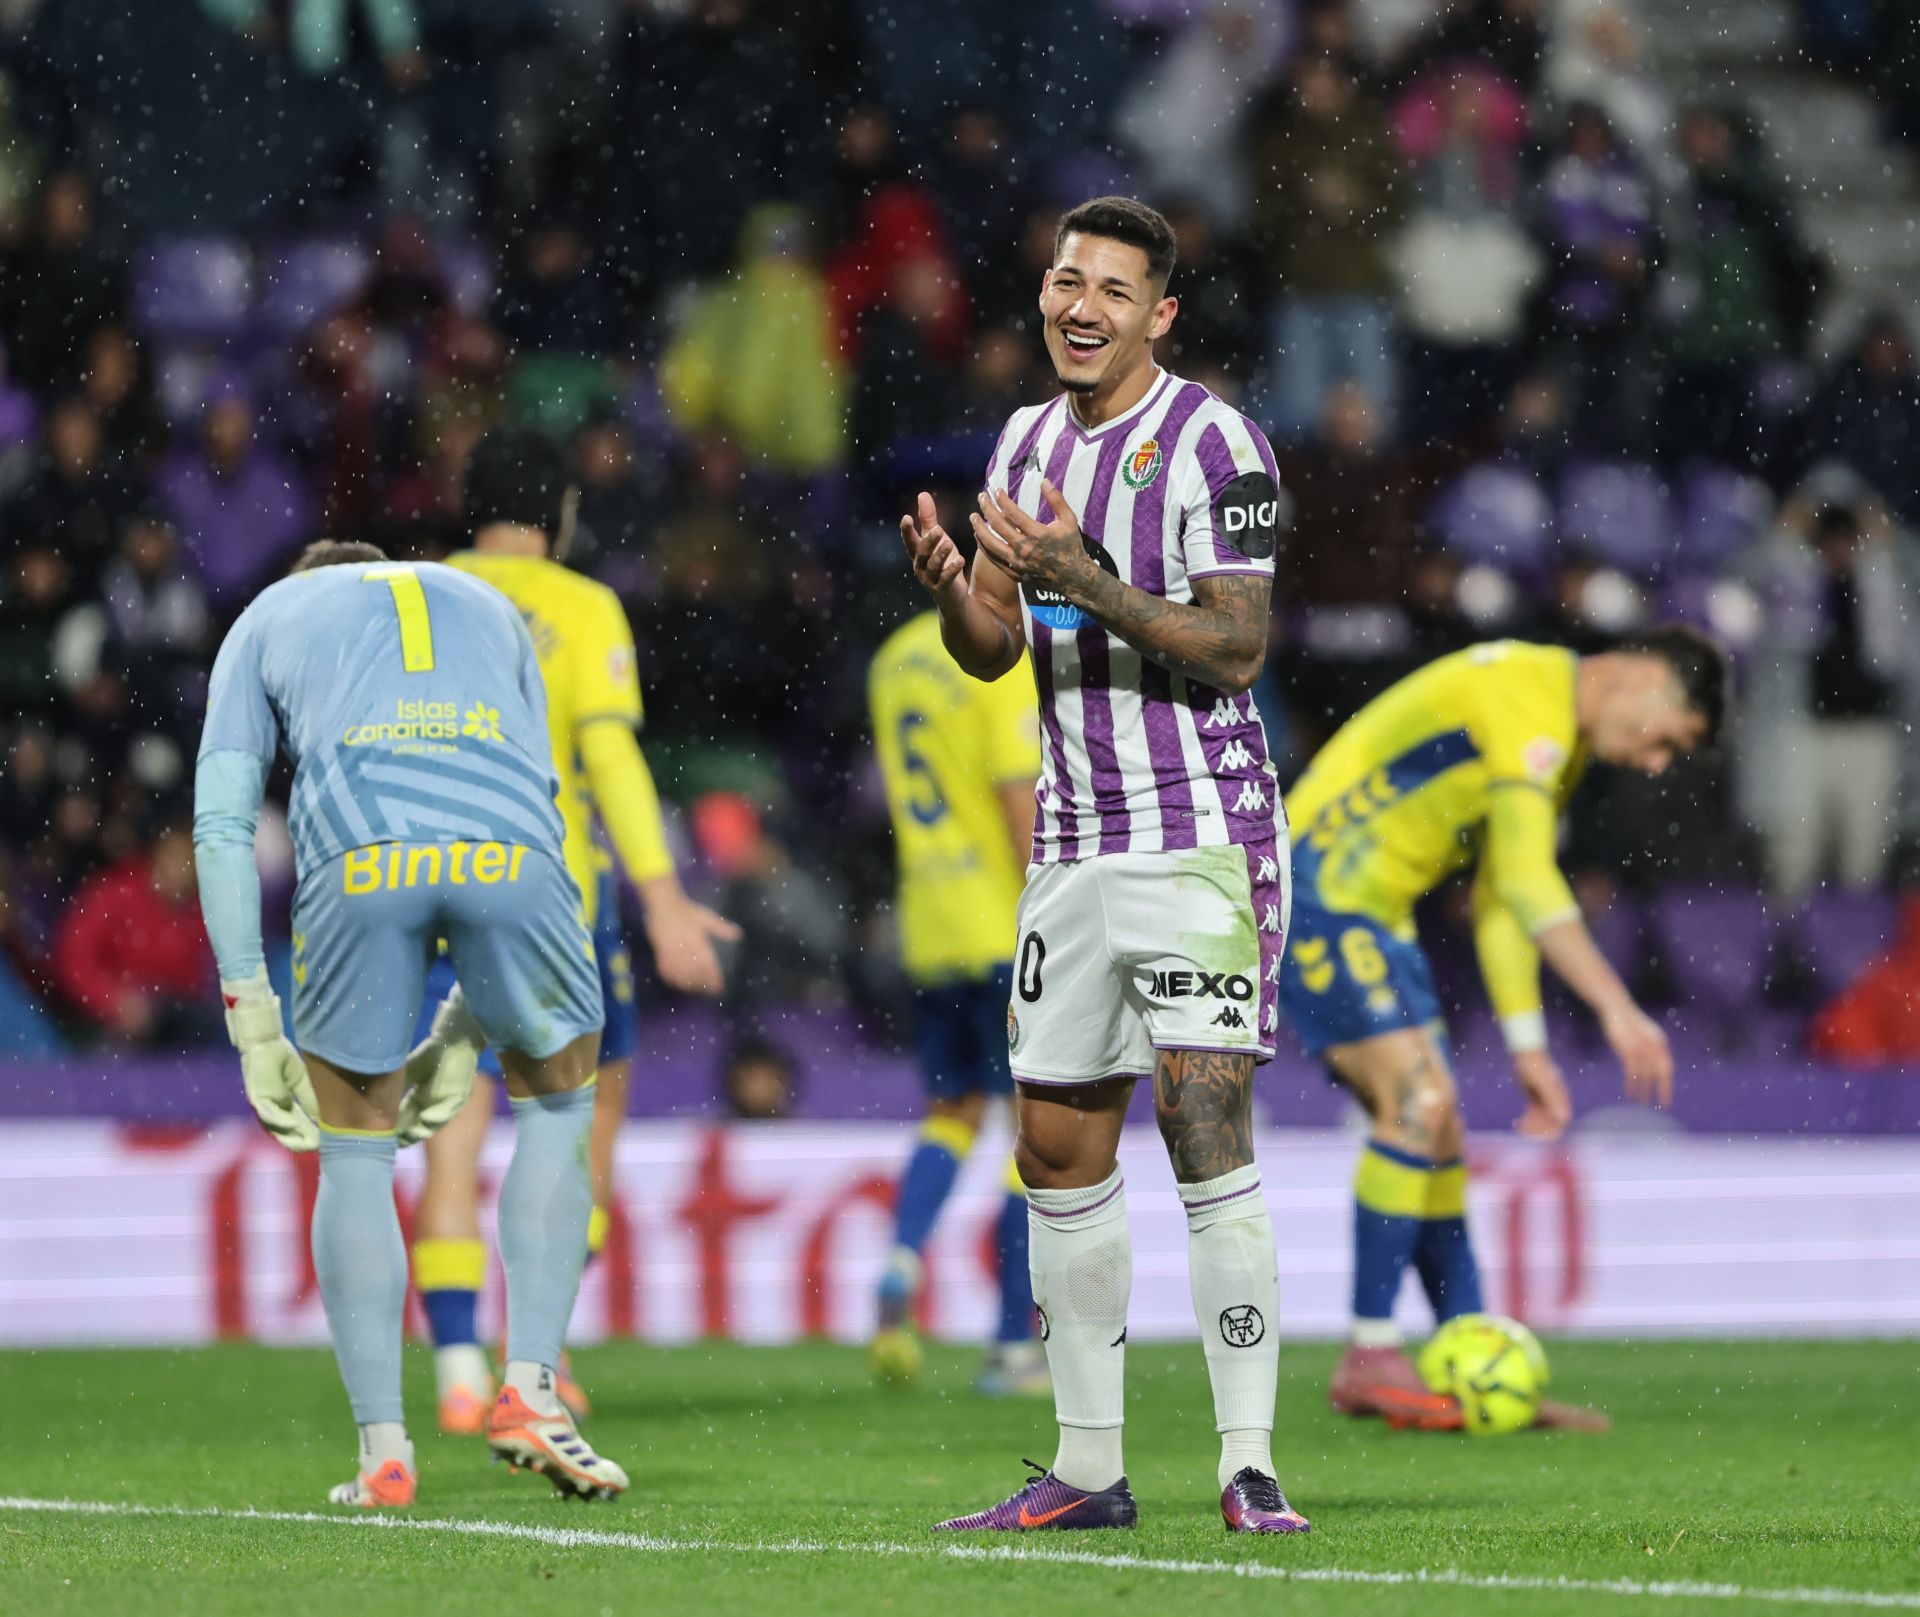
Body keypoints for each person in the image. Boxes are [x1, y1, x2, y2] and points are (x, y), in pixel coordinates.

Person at [901, 196, 1307, 1535]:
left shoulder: (1215, 442)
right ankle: (1086, 1469)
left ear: (1159, 316)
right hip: (1069, 842)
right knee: (1057, 1149)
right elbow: (997, 649)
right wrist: (963, 591)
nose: (1082, 306)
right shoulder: (1020, 440)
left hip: (1199, 830)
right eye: (1066, 280)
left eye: (1114, 290)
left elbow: (1239, 646)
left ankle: (1248, 1466)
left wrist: (1087, 574)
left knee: (1201, 1126)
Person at [192, 539, 627, 1509]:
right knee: (558, 1110)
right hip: (510, 858)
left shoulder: (269, 616)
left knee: (355, 1155)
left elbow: (221, 827)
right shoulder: (484, 607)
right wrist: (471, 1025)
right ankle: (532, 1391)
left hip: (361, 862)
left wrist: (250, 1009)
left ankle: (384, 1453)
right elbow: (536, 796)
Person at [1279, 630, 1727, 1430]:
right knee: (1417, 1101)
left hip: (1374, 913)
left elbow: (1496, 900)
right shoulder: (1530, 700)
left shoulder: (1554, 737)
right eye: (1670, 740)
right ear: (1647, 679)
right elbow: (1526, 880)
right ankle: (1369, 1354)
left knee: (1438, 1124)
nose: (1657, 762)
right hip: (1311, 886)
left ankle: (1474, 1362)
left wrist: (1528, 1047)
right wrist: (1616, 1007)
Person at [411, 427, 738, 1435]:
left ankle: (459, 1365)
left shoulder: (412, 599)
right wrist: (666, 897)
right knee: (583, 1131)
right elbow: (612, 762)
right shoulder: (583, 604)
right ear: (555, 517)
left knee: (451, 1140)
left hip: (431, 886)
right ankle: (534, 1354)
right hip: (554, 893)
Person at [867, 608, 1047, 1398]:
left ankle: (902, 1256)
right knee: (1035, 1128)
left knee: (953, 1108)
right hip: (1004, 920)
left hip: (930, 922)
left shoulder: (893, 658)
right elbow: (1018, 793)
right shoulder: (1001, 658)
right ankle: (1013, 1346)